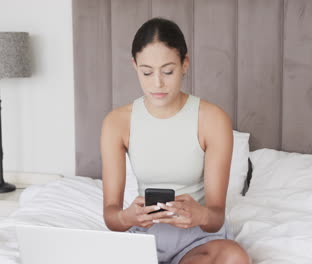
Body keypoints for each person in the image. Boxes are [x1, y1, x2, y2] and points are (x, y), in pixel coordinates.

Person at [100, 17, 251, 264]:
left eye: (168, 71)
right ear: (134, 65)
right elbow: (111, 216)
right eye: (146, 72)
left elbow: (214, 219)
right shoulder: (117, 122)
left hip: (199, 241)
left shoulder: (212, 119)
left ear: (185, 64)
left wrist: (199, 215)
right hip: (144, 240)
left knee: (234, 257)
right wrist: (128, 217)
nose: (157, 83)